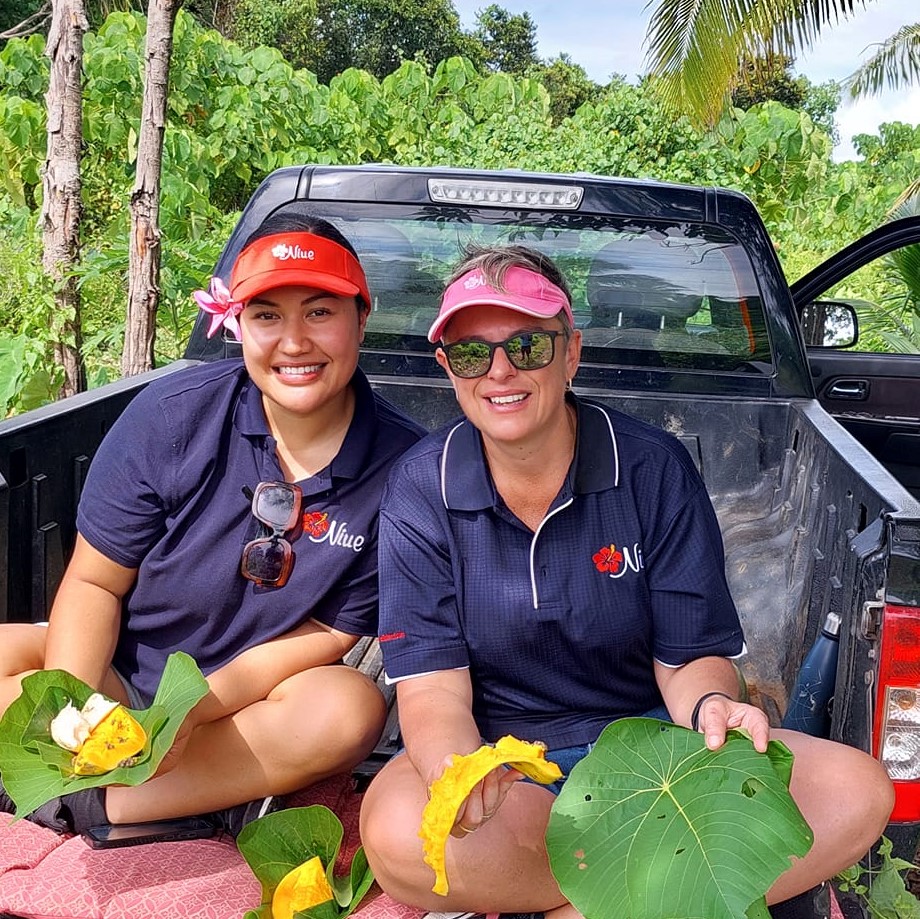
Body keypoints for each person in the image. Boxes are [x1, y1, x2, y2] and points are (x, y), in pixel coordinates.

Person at [359, 244, 895, 919]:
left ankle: (583, 902)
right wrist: (458, 770)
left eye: (528, 345)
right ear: (448, 368)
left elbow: (689, 659)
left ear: (571, 351)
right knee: (393, 831)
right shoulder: (419, 487)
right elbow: (433, 690)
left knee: (858, 790)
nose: (500, 370)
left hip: (653, 762)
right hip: (512, 773)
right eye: (472, 352)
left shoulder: (652, 467)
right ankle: (646, 893)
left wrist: (710, 709)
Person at [0, 214, 424, 838]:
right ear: (238, 324)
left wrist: (190, 712)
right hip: (119, 674)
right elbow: (93, 585)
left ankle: (102, 805)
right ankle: (118, 783)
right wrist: (77, 709)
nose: (294, 342)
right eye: (267, 315)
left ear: (362, 316)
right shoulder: (173, 416)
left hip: (239, 711)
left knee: (347, 709)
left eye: (320, 312)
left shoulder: (404, 470)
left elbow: (330, 633)